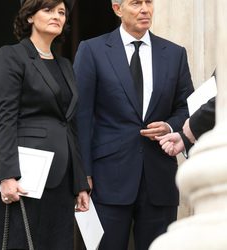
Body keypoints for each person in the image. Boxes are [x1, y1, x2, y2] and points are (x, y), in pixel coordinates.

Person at [73, 0, 194, 249]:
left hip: (159, 178)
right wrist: (82, 175)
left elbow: (188, 108)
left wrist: (170, 127)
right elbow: (80, 117)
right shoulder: (92, 50)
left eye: (148, 2)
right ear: (117, 9)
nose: (144, 9)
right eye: (136, 3)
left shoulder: (174, 53)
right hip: (108, 179)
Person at [0, 0, 90, 249]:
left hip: (62, 177)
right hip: (26, 175)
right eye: (48, 9)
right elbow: (5, 119)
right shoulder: (11, 55)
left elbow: (70, 125)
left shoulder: (65, 65)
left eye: (61, 12)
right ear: (30, 17)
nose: (57, 15)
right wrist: (8, 175)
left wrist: (80, 184)